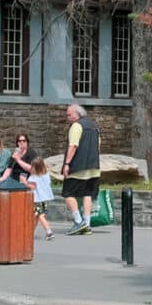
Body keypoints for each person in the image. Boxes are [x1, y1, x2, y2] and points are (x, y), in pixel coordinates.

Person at [61, 102, 102, 234]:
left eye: (69, 114)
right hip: (93, 167)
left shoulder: (76, 126)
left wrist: (67, 164)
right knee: (87, 194)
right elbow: (98, 146)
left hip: (78, 167)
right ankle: (87, 225)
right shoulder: (95, 127)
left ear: (77, 114)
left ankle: (79, 222)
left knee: (68, 193)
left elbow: (73, 146)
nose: (68, 117)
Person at [10, 133, 56, 240]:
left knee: (39, 216)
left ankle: (49, 232)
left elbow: (32, 187)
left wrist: (24, 182)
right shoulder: (46, 175)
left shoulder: (34, 177)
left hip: (37, 199)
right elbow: (47, 183)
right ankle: (29, 232)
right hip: (45, 199)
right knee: (36, 216)